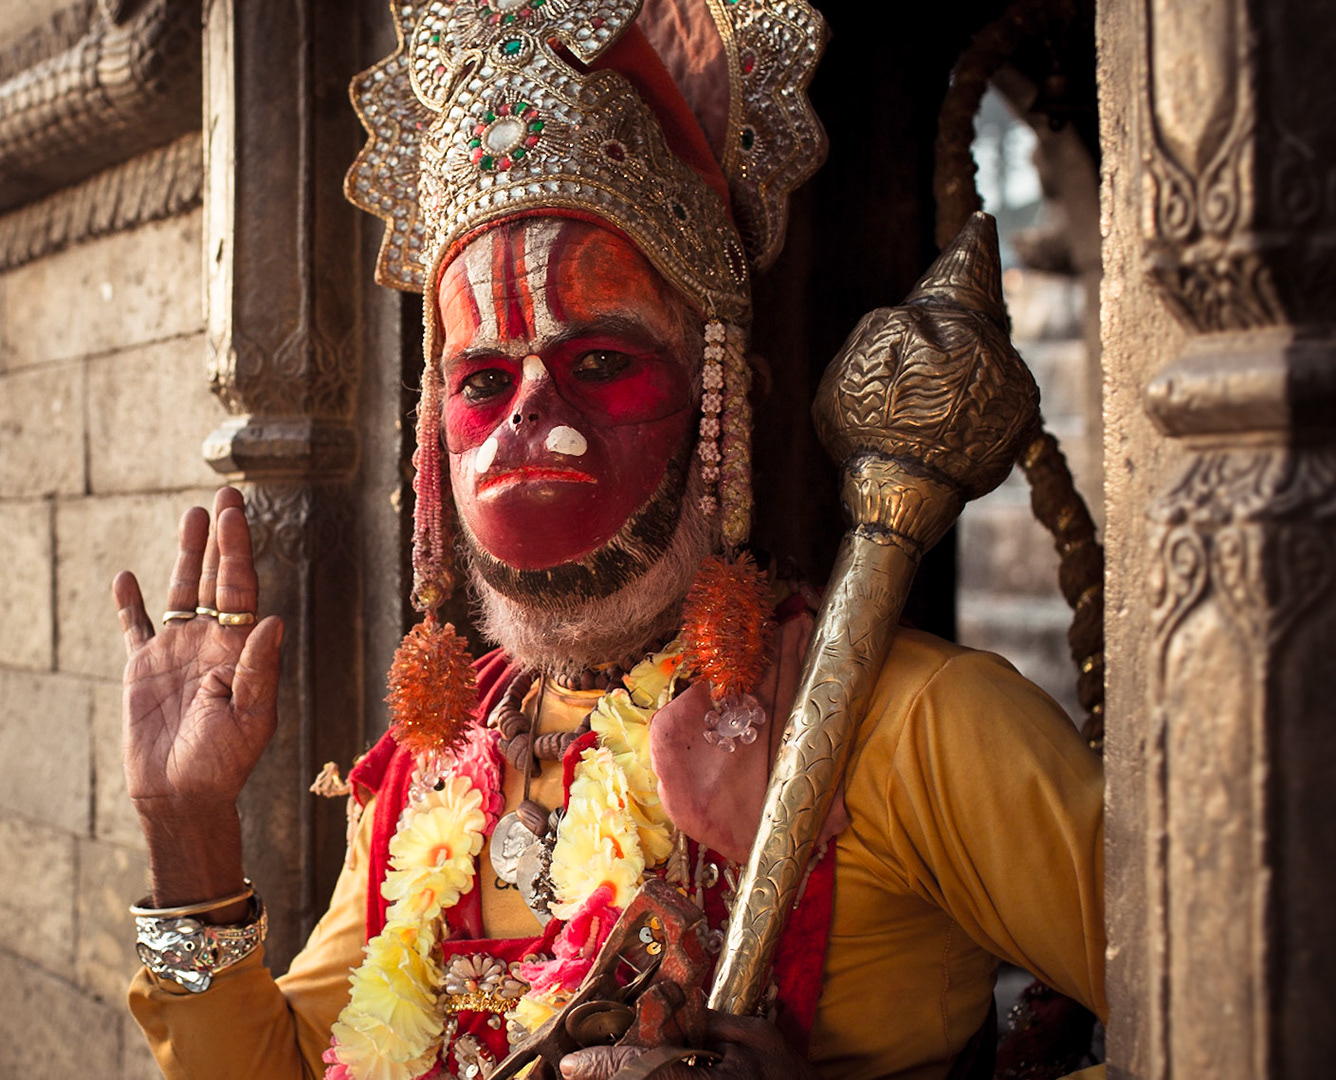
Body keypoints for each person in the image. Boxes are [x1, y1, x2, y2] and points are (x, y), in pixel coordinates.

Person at [112, 2, 1104, 1078]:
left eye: (597, 363)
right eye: (483, 381)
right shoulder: (425, 771)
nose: (531, 415)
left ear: (720, 403)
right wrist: (188, 828)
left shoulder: (912, 725)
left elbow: (1214, 1019)